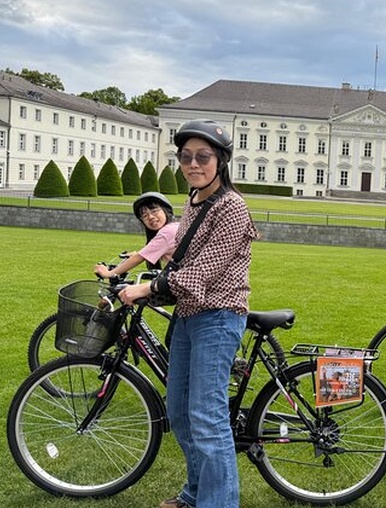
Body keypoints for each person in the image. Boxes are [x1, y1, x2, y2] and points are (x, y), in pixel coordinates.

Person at [119, 119, 258, 508]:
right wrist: (151, 282)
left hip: (219, 317)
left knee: (208, 417)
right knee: (179, 412)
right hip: (189, 316)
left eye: (203, 156)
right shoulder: (194, 201)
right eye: (185, 157)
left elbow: (203, 271)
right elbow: (181, 264)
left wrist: (148, 287)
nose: (193, 164)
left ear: (221, 160)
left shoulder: (232, 206)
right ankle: (195, 493)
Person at [93, 192, 179, 279]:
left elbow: (139, 258)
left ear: (166, 211)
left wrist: (109, 273)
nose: (151, 217)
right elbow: (146, 252)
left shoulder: (167, 232)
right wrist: (138, 254)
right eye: (145, 216)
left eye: (154, 211)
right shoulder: (175, 226)